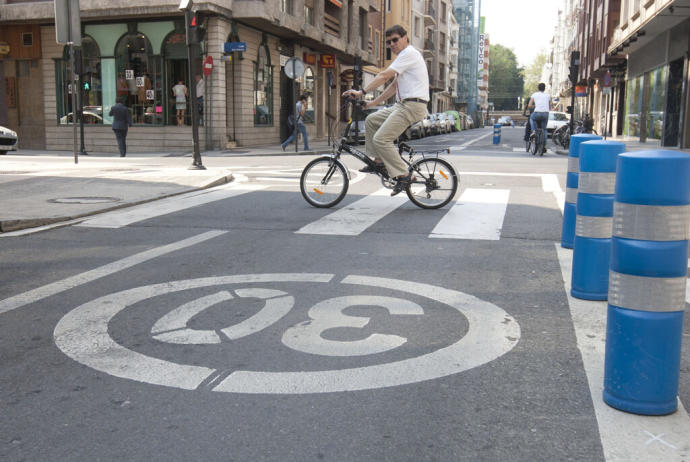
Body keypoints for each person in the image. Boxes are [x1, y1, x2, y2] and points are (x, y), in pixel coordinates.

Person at [342, 24, 429, 196]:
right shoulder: (404, 58)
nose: (392, 45)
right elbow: (392, 86)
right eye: (389, 42)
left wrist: (361, 92)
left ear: (405, 38)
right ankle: (379, 161)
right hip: (403, 104)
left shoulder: (409, 53)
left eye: (395, 40)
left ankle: (404, 175)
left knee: (381, 139)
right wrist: (371, 102)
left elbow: (383, 76)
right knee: (371, 120)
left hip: (412, 105)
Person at [527, 83, 551, 153]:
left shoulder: (534, 94)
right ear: (544, 88)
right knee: (544, 129)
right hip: (546, 113)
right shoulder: (548, 95)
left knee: (531, 118)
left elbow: (529, 105)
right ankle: (544, 145)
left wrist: (535, 106)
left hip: (537, 113)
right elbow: (550, 105)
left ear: (538, 88)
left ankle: (534, 130)